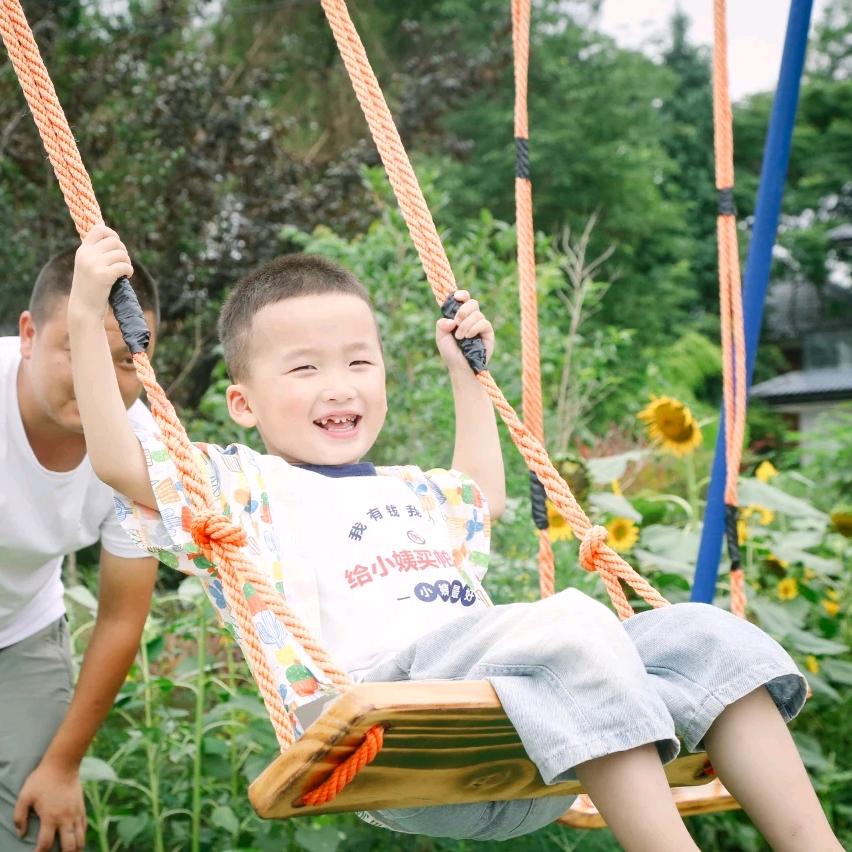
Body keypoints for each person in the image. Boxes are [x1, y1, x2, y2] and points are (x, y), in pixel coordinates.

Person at [67, 225, 842, 851]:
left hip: (521, 737)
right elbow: (118, 458)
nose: (339, 386)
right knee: (568, 620)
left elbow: (484, 494)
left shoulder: (408, 486)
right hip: (389, 724)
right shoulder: (242, 484)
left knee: (706, 635)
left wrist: (467, 375)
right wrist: (84, 315)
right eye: (303, 369)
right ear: (242, 403)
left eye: (359, 363)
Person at [0, 247, 159, 852]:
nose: (97, 378)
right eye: (75, 346)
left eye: (122, 360)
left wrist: (63, 766)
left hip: (20, 632)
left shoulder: (142, 453)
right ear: (29, 335)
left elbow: (122, 616)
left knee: (36, 823)